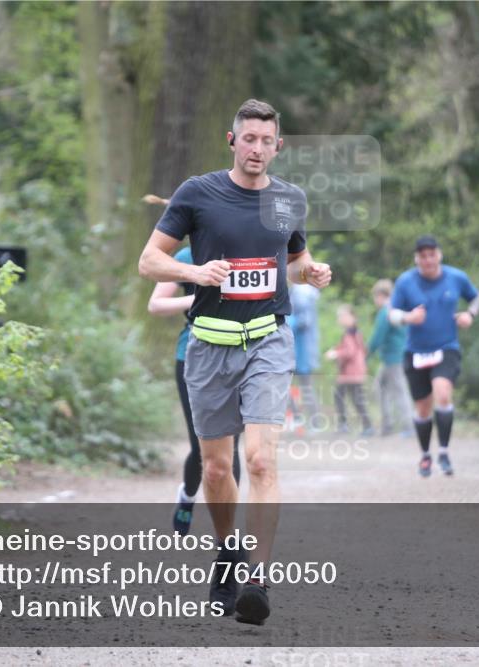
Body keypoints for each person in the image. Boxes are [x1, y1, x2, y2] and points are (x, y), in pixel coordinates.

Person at [138, 99, 331, 625]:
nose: (257, 149)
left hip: (268, 339)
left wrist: (311, 272)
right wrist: (199, 274)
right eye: (248, 139)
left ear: (279, 146)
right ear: (232, 141)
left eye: (267, 141)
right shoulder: (198, 193)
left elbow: (292, 261)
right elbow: (148, 260)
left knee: (262, 460)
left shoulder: (290, 200)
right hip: (208, 344)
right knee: (218, 468)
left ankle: (258, 580)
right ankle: (229, 551)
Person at [146, 244, 241, 537]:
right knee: (203, 446)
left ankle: (227, 528)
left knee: (230, 446)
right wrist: (195, 296)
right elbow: (156, 304)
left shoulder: (248, 250)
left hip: (238, 357)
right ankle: (187, 496)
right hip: (192, 357)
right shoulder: (187, 256)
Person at [389, 235, 479, 477]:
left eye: (432, 254)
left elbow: (476, 297)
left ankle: (443, 451)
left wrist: (470, 314)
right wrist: (408, 318)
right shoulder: (406, 282)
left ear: (439, 255)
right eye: (423, 256)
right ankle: (425, 456)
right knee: (422, 408)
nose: (428, 260)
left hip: (446, 347)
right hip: (416, 352)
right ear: (416, 259)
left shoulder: (456, 277)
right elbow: (392, 314)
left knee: (442, 393)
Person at [368, 279, 414, 436]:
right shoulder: (396, 309)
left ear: (381, 295)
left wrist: (366, 353)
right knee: (381, 388)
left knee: (399, 391)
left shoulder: (385, 312)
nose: (375, 301)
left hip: (394, 358)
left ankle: (408, 426)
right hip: (393, 357)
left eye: (375, 297)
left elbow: (378, 337)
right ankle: (387, 426)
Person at [325, 304, 373, 436]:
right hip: (354, 372)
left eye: (342, 316)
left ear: (352, 317)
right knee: (355, 399)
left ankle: (346, 425)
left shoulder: (350, 333)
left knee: (342, 396)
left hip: (351, 373)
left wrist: (335, 354)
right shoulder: (354, 332)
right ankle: (365, 426)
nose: (340, 319)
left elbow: (350, 351)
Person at [286, 283, 321, 433]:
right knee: (284, 387)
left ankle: (315, 423)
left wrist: (288, 322)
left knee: (306, 389)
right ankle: (297, 418)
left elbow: (305, 321)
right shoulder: (296, 291)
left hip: (303, 351)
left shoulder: (301, 293)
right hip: (293, 351)